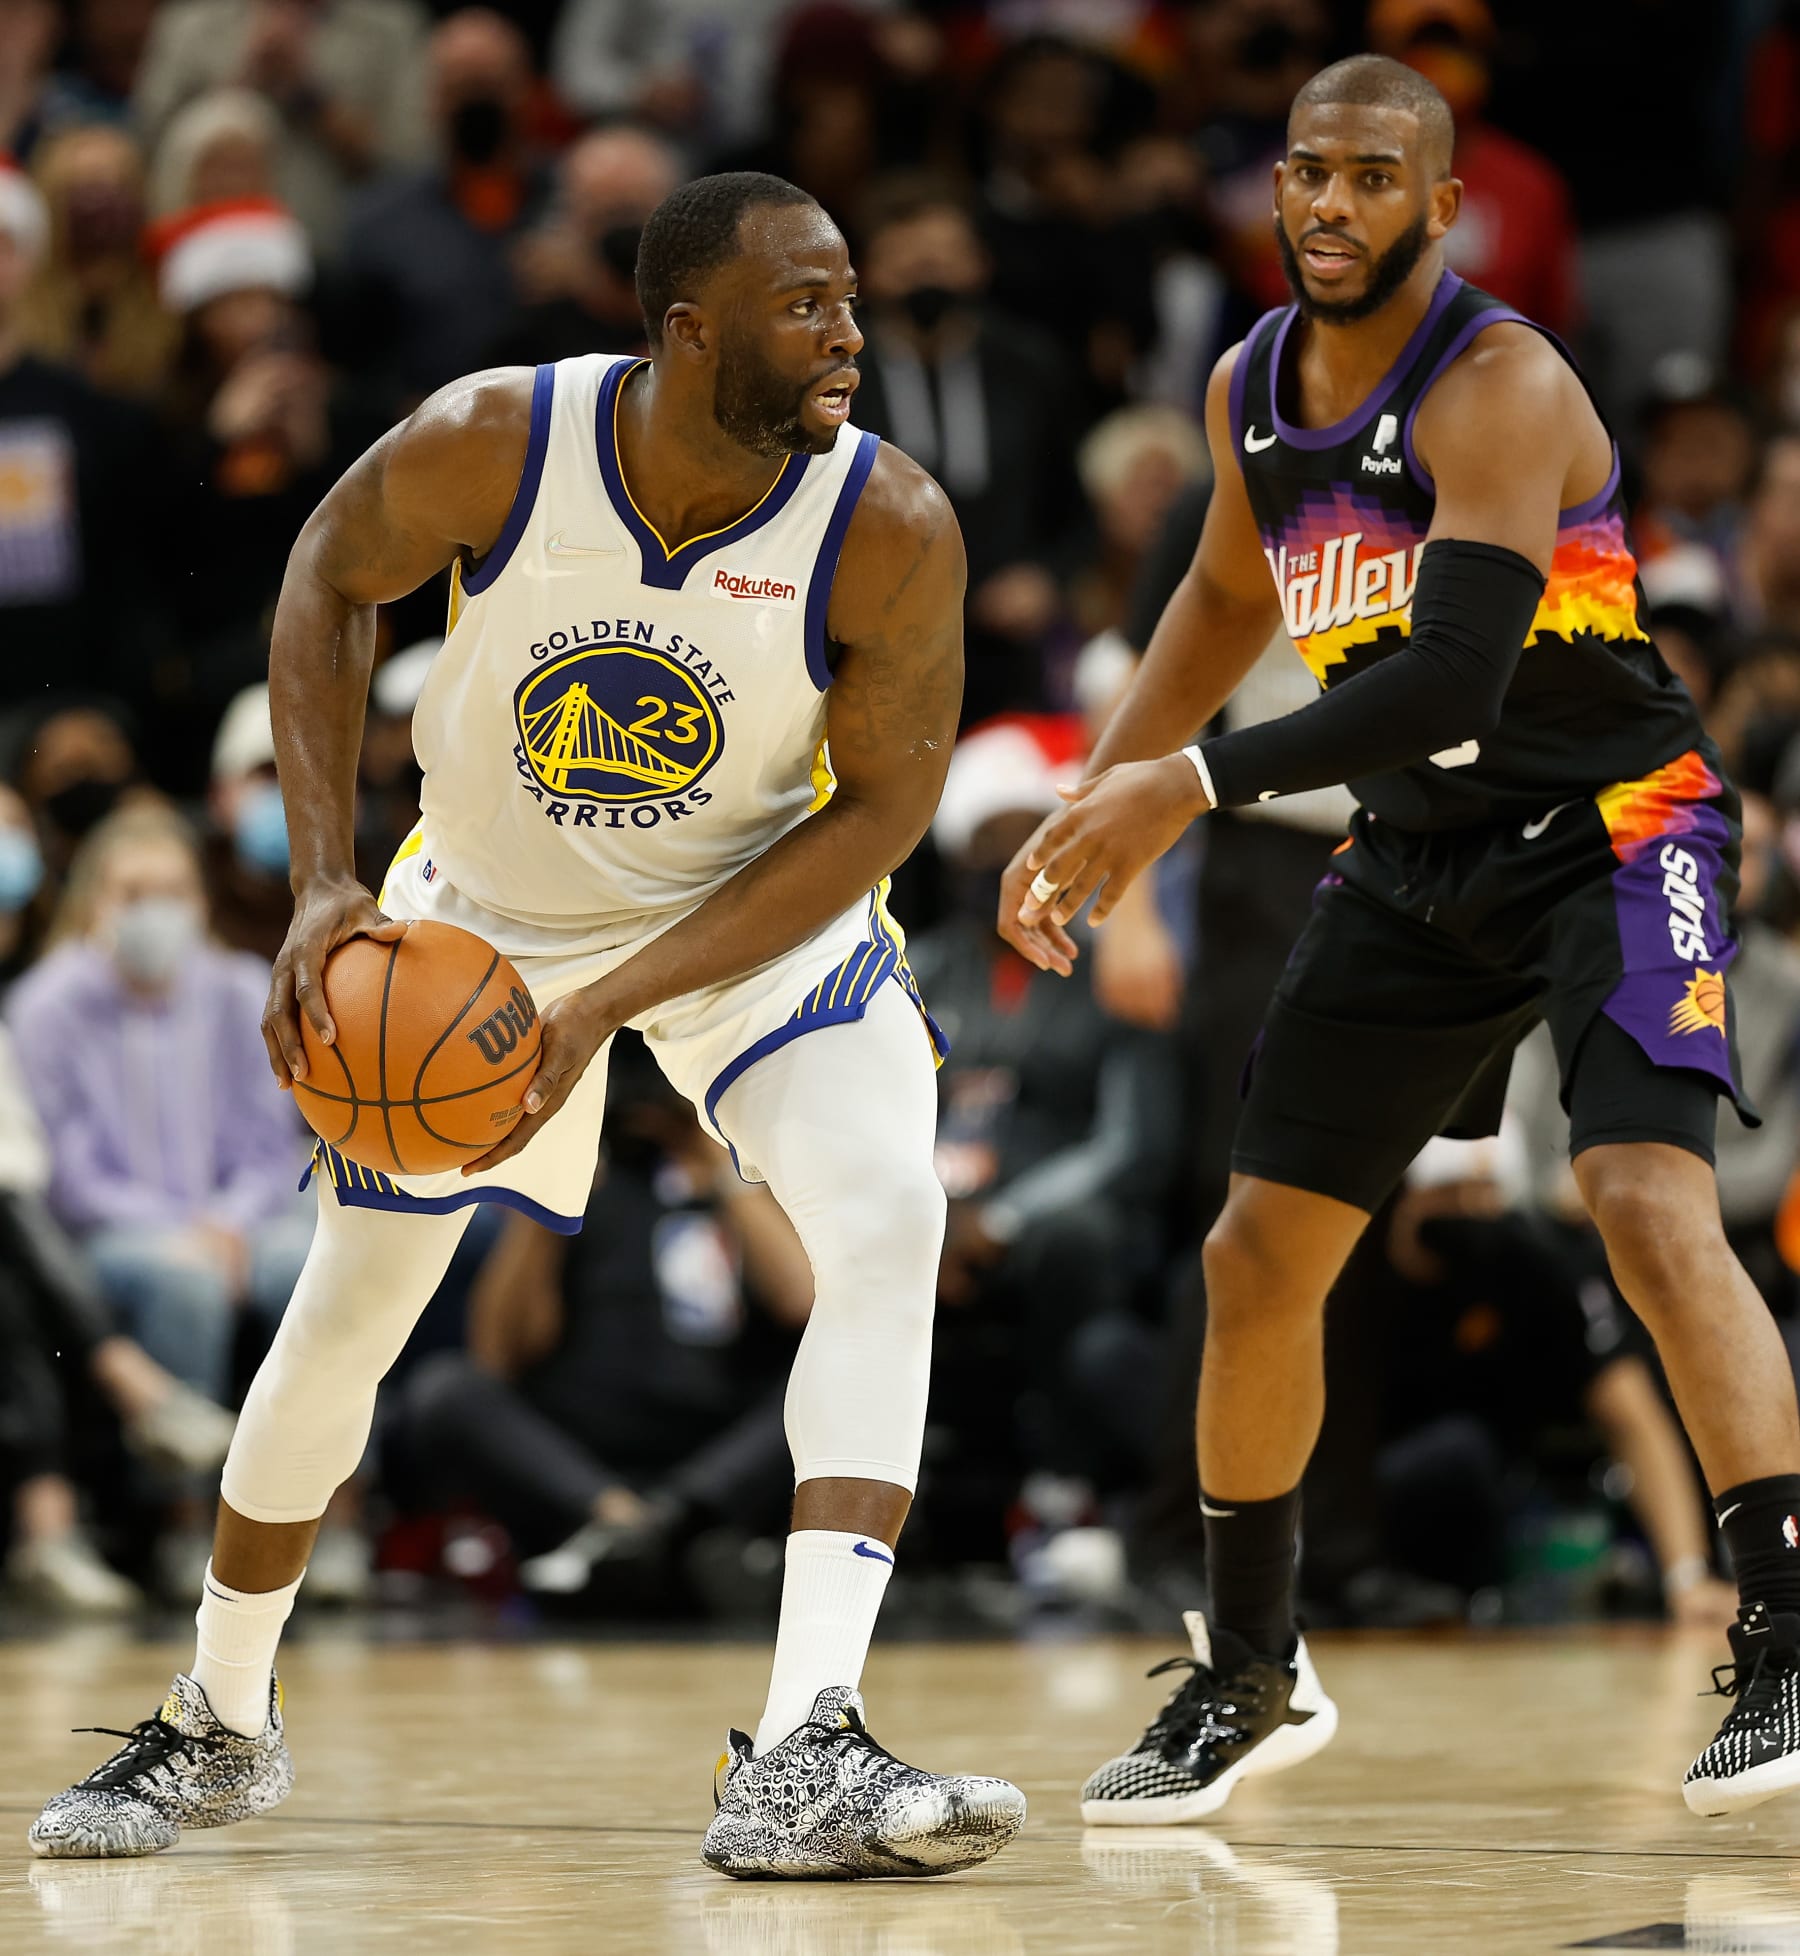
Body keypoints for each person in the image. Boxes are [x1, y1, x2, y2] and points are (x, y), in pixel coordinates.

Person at [31, 168, 1025, 1879]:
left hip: (754, 925)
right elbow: (327, 576)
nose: (849, 333)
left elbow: (874, 822)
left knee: (889, 1215)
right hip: (483, 918)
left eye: (852, 296)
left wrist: (616, 1006)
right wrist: (329, 887)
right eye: (809, 305)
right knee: (347, 1324)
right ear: (690, 328)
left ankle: (805, 1748)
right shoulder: (498, 437)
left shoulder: (892, 523)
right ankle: (216, 1718)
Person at [999, 54, 1800, 1823]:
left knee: (1644, 1198)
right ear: (1274, 192)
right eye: (1307, 173)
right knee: (1253, 1256)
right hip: (1423, 853)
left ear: (1442, 207)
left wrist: (1180, 793)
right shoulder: (1248, 388)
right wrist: (1096, 804)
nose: (1333, 205)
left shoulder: (1502, 381)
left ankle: (1792, 1632)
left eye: (1373, 177)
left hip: (1615, 825)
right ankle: (1250, 1677)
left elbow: (1455, 675)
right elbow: (1223, 596)